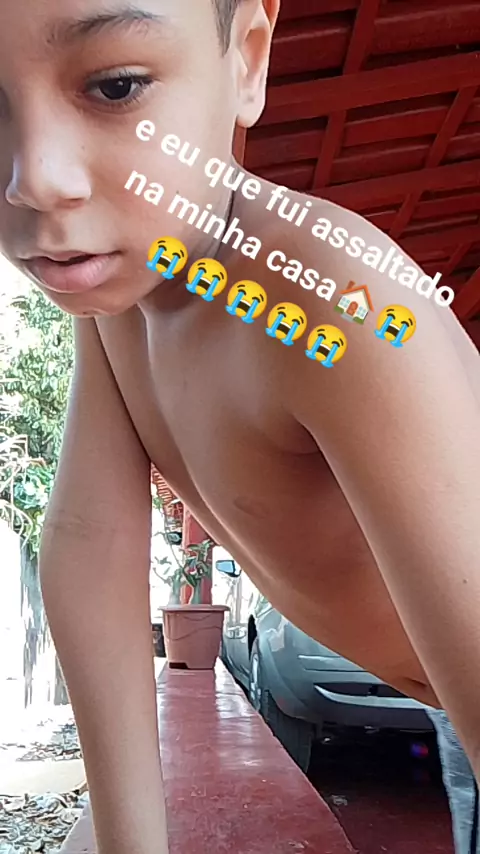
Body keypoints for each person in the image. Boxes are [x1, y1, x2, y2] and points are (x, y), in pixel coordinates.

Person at [0, 0, 478, 851]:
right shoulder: (124, 304)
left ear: (249, 59)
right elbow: (89, 540)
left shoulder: (330, 298)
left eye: (116, 86)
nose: (34, 178)